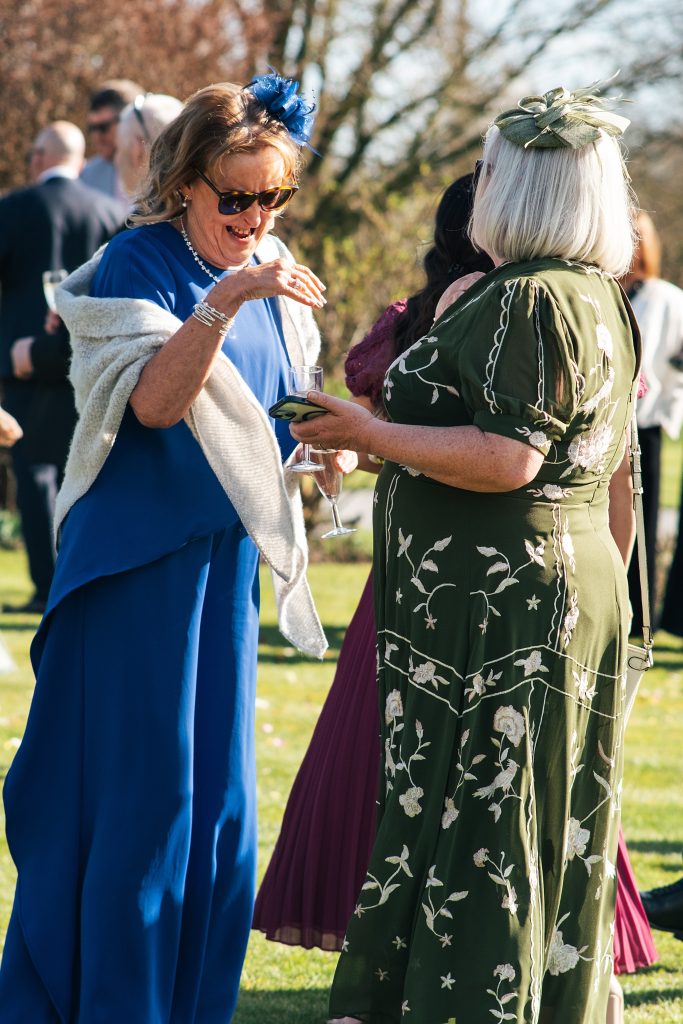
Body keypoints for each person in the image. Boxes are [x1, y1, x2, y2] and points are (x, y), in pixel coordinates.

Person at [293, 80, 639, 1024]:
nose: (479, 186)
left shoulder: (531, 297)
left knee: (484, 829)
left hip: (501, 613)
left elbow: (510, 458)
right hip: (526, 599)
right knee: (504, 821)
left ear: (522, 189)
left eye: (494, 171)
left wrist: (372, 435)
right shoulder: (593, 290)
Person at [0, 73, 328, 1024]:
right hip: (136, 572)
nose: (255, 214)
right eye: (236, 196)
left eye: (273, 196)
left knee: (221, 813)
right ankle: (113, 1003)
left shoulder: (270, 270)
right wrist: (226, 297)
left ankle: (191, 1006)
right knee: (147, 808)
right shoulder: (132, 263)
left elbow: (267, 410)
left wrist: (322, 442)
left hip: (220, 571)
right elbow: (153, 403)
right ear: (185, 180)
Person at [253, 171, 494, 951]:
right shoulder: (418, 320)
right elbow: (387, 440)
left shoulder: (524, 312)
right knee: (387, 741)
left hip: (464, 558)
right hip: (422, 556)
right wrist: (346, 442)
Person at [0, 121, 123, 614]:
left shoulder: (13, 209)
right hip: (89, 365)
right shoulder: (113, 215)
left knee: (34, 476)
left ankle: (45, 584)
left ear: (38, 157)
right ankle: (82, 575)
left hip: (24, 362)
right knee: (88, 471)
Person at [620, 211, 683, 634]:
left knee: (640, 526)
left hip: (645, 426)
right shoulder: (601, 290)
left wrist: (668, 406)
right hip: (605, 430)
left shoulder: (665, 297)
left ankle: (640, 619)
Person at [81, 78, 144, 202]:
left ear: (130, 122)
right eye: (92, 128)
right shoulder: (88, 176)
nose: (96, 136)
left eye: (103, 127)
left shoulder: (160, 173)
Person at [115, 92, 184, 200]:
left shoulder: (140, 215)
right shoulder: (198, 206)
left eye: (119, 149)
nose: (116, 160)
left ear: (137, 152)